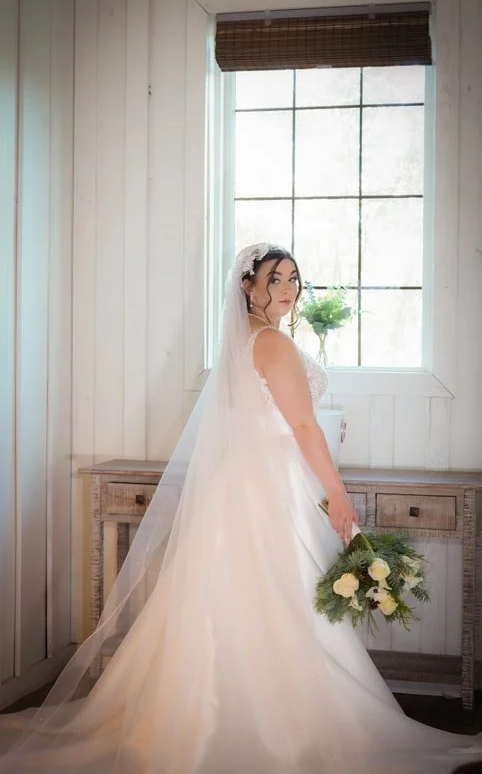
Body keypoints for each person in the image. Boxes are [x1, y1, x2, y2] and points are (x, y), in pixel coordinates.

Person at [0, 243, 481, 773]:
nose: (288, 287)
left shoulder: (241, 343)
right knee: (281, 598)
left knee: (233, 600)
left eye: (294, 277)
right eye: (276, 278)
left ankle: (202, 720)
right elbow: (303, 427)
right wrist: (338, 493)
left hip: (238, 484)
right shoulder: (272, 342)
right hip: (270, 486)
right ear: (248, 287)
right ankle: (280, 726)